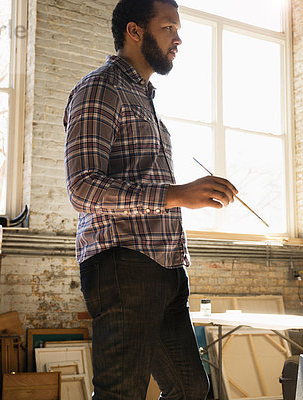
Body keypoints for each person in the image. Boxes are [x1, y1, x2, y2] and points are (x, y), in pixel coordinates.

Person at [63, 0, 238, 398]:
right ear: (135, 31)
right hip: (124, 265)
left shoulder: (145, 99)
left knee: (191, 389)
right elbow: (82, 187)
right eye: (168, 28)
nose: (179, 38)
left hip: (167, 268)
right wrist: (177, 195)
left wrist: (186, 196)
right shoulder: (99, 87)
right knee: (121, 393)